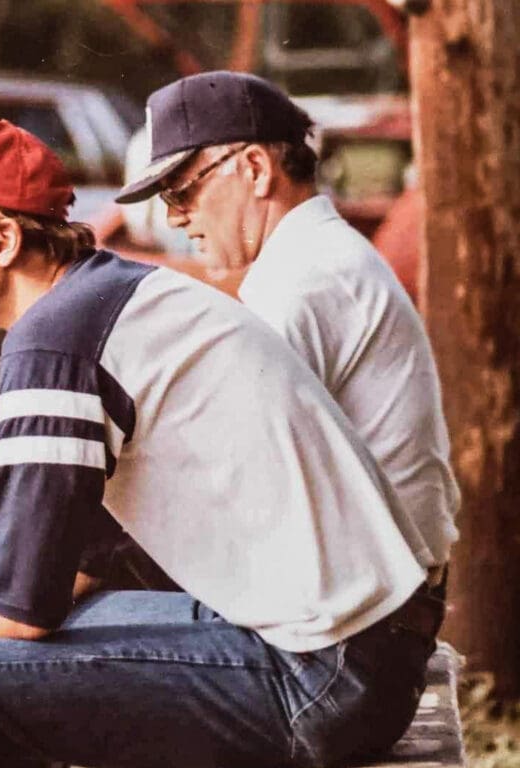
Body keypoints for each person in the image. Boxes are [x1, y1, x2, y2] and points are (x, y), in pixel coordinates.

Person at [0, 116, 443, 768]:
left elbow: (20, 612)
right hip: (365, 650)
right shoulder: (107, 296)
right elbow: (72, 567)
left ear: (4, 239)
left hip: (323, 674)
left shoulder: (57, 337)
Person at [116, 70, 458, 593]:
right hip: (376, 585)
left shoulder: (304, 280)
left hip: (364, 607)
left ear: (254, 169)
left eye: (181, 191)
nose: (174, 218)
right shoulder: (316, 257)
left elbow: (219, 472)